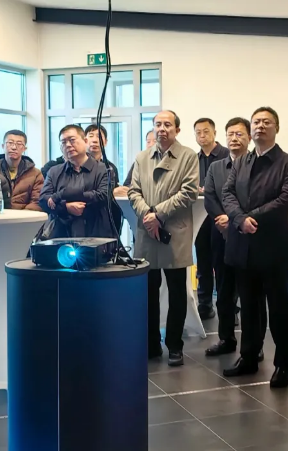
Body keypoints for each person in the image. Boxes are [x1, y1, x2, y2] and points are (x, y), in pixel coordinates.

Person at [222, 107, 288, 389]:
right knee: (249, 306)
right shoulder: (242, 161)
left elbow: (287, 200)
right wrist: (240, 219)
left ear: (276, 128)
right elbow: (227, 193)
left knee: (278, 307)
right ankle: (249, 357)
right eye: (256, 122)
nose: (260, 126)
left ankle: (283, 364)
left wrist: (252, 217)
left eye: (267, 122)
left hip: (272, 246)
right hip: (243, 244)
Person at [128, 111, 198, 367]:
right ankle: (151, 343)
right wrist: (148, 215)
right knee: (148, 291)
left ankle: (175, 345)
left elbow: (188, 192)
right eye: (158, 124)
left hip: (174, 232)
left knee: (177, 292)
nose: (162, 129)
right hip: (147, 232)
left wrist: (158, 214)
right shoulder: (142, 157)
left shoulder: (188, 156)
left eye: (167, 124)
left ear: (177, 130)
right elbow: (133, 191)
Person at [203, 117, 266, 358]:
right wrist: (222, 218)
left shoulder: (257, 165)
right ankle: (226, 339)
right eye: (230, 134)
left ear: (249, 137)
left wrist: (234, 220)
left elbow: (257, 200)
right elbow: (210, 197)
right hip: (220, 236)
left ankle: (255, 345)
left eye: (239, 134)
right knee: (224, 291)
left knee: (253, 295)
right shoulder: (216, 167)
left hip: (249, 236)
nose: (234, 138)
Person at [39, 125, 113, 238]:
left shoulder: (104, 169)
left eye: (72, 140)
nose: (68, 145)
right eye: (63, 142)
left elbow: (103, 196)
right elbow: (44, 200)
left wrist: (62, 196)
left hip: (95, 233)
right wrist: (66, 207)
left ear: (85, 141)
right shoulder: (54, 172)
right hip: (61, 234)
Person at [194, 118, 230, 320]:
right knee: (203, 263)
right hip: (200, 219)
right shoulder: (193, 159)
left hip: (222, 217)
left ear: (215, 133)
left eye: (206, 131)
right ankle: (204, 304)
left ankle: (229, 309)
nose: (202, 135)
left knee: (224, 264)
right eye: (198, 132)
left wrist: (209, 189)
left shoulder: (227, 156)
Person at [0, 130, 43, 211]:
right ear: (3, 146)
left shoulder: (35, 174)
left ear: (24, 149)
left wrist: (20, 216)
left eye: (19, 144)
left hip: (25, 217)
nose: (14, 147)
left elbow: (36, 202)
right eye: (10, 143)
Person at [115, 130, 155, 197]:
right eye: (148, 142)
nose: (151, 145)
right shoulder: (139, 162)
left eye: (155, 141)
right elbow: (126, 185)